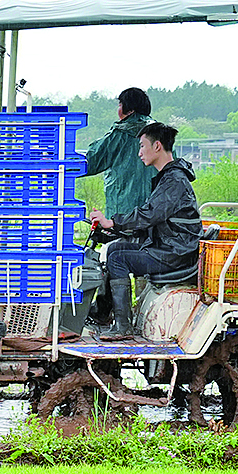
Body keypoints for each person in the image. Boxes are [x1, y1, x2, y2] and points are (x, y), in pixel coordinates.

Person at [86, 123, 200, 341]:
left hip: (175, 253)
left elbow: (149, 215)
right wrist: (114, 231)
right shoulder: (168, 177)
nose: (139, 152)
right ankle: (103, 313)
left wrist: (113, 222)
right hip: (170, 247)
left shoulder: (174, 180)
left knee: (118, 258)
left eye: (142, 146)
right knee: (115, 249)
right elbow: (152, 219)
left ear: (157, 146)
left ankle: (122, 326)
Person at [81, 87, 153, 222]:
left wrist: (55, 164)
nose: (118, 109)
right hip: (156, 215)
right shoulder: (161, 134)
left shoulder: (120, 134)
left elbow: (90, 161)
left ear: (130, 110)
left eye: (120, 105)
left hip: (123, 215)